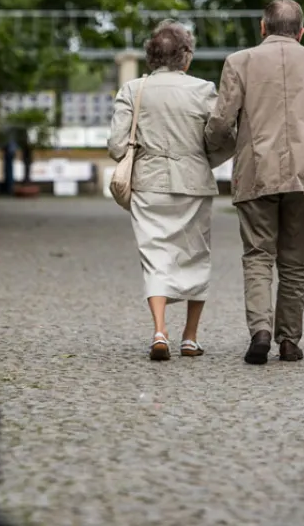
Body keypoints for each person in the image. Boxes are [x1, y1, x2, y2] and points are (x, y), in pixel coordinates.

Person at [205, 0, 304, 365]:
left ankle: (260, 330)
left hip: (256, 170)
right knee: (295, 261)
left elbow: (222, 122)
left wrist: (211, 152)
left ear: (262, 27)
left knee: (257, 255)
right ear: (301, 32)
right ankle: (289, 340)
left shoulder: (238, 62)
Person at [109, 20, 232, 361]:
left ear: (151, 56)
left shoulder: (133, 90)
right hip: (193, 181)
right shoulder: (203, 90)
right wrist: (205, 159)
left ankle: (159, 330)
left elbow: (117, 145)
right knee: (196, 254)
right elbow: (225, 136)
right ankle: (190, 337)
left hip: (149, 183)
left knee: (155, 256)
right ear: (186, 57)